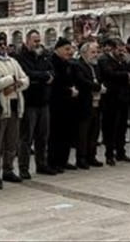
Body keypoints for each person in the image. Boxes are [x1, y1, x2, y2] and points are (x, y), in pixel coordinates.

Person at [0, 33, 29, 182]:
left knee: (12, 141)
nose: (3, 47)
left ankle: (8, 169)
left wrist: (16, 85)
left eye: (4, 44)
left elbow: (25, 79)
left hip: (15, 104)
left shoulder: (12, 61)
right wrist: (10, 80)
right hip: (1, 106)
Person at [16, 30, 56, 177]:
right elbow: (27, 74)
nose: (38, 44)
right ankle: (23, 168)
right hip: (29, 102)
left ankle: (41, 164)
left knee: (42, 136)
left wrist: (44, 76)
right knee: (27, 137)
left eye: (39, 41)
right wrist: (44, 76)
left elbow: (52, 71)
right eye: (35, 41)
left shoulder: (43, 56)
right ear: (27, 42)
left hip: (43, 101)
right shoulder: (21, 57)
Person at [46, 37, 78, 172]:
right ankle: (54, 162)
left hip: (68, 102)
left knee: (66, 132)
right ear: (58, 49)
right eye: (66, 49)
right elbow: (55, 83)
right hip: (56, 103)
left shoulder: (68, 63)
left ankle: (63, 160)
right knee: (55, 134)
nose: (69, 52)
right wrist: (68, 90)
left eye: (70, 49)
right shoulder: (52, 62)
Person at [97, 38, 130, 165]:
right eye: (119, 49)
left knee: (122, 126)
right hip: (110, 98)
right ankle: (109, 154)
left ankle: (121, 152)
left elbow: (129, 73)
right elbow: (110, 74)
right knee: (110, 127)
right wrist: (125, 75)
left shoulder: (123, 61)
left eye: (123, 49)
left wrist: (124, 70)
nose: (121, 52)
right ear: (113, 49)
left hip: (123, 97)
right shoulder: (105, 60)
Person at [72, 41, 103, 168]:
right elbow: (82, 82)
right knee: (83, 133)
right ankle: (82, 158)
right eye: (93, 52)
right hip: (84, 103)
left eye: (97, 52)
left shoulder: (95, 66)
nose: (96, 55)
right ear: (84, 53)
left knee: (94, 131)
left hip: (97, 103)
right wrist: (97, 87)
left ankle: (92, 155)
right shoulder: (78, 66)